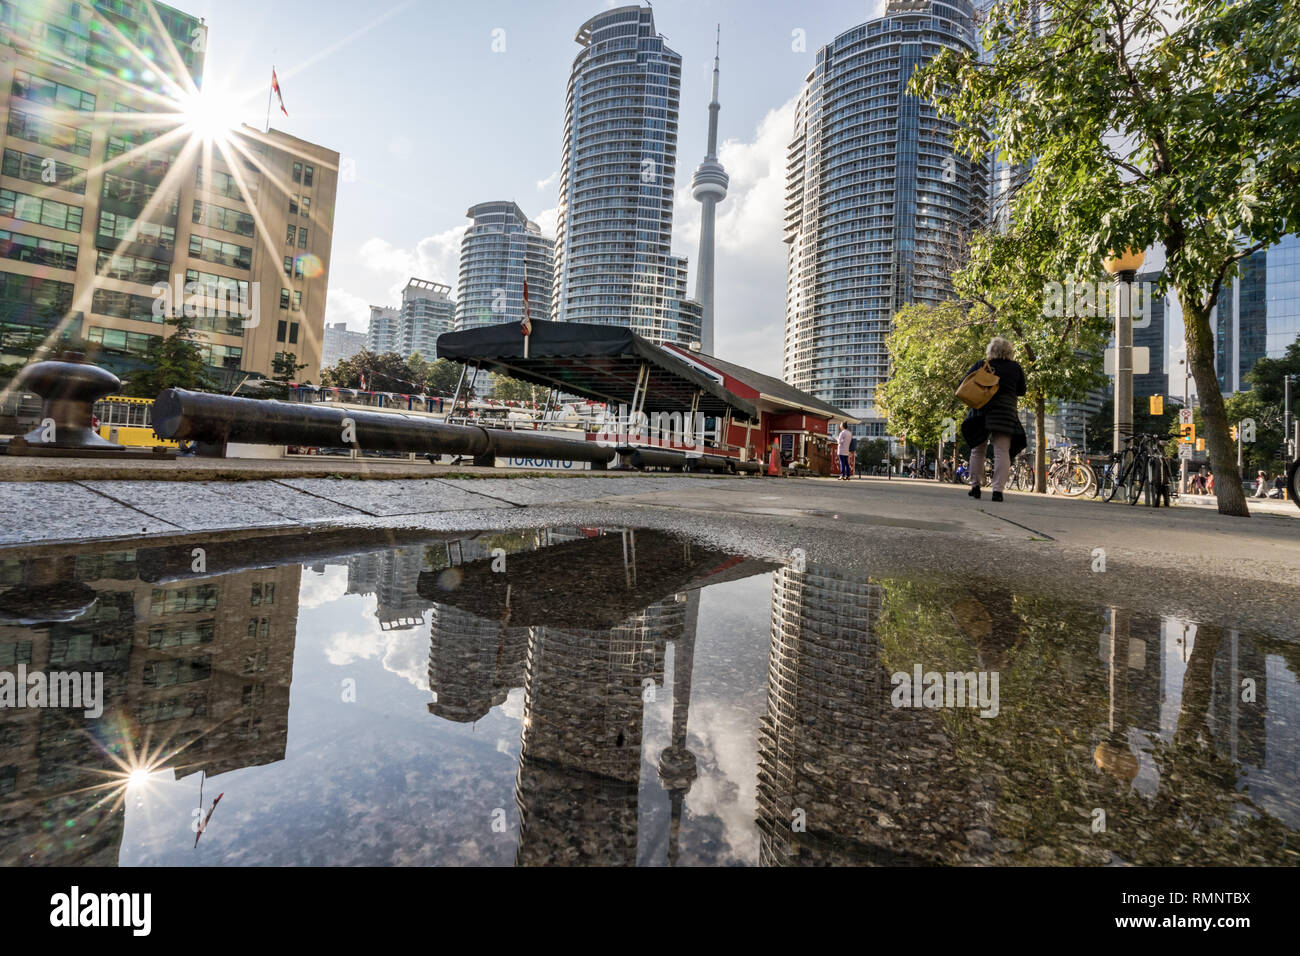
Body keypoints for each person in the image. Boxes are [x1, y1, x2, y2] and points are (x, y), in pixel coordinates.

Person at [960, 336, 1027, 502]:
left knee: (977, 449)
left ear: (991, 350)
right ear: (1009, 351)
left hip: (981, 411)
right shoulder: (1015, 368)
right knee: (1002, 452)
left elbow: (964, 383)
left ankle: (975, 487)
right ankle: (998, 491)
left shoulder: (982, 365)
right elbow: (1022, 391)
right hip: (1005, 413)